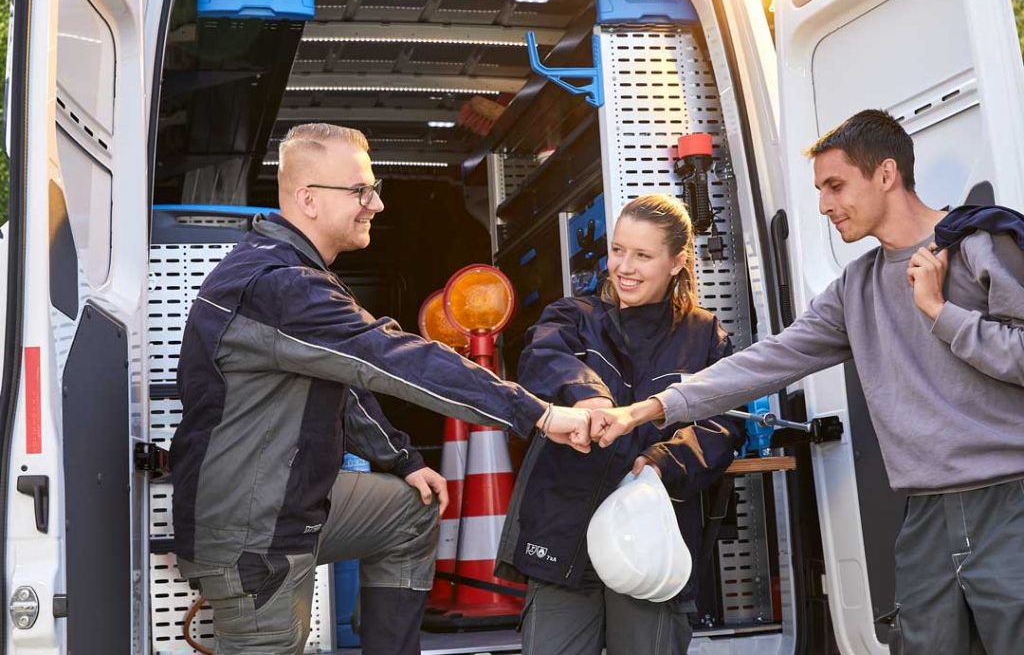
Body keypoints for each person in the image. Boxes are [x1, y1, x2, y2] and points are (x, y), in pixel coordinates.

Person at [589, 110, 1024, 654]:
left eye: (835, 186)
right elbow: (766, 362)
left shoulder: (982, 243)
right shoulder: (855, 288)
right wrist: (650, 409)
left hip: (1010, 502)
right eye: (820, 189)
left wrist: (940, 311)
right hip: (926, 515)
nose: (823, 205)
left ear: (886, 174)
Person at [171, 123, 591, 655]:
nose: (377, 204)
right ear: (308, 199)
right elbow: (395, 359)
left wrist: (403, 461)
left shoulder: (292, 273)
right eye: (360, 191)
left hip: (290, 505)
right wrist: (538, 414)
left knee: (410, 510)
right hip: (254, 535)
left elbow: (344, 378)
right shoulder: (280, 284)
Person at [495, 194, 745, 654]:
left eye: (643, 255)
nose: (624, 267)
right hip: (563, 529)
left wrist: (661, 462)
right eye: (618, 250)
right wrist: (590, 399)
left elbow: (724, 423)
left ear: (676, 262)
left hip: (651, 537)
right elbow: (541, 358)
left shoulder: (705, 336)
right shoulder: (573, 316)